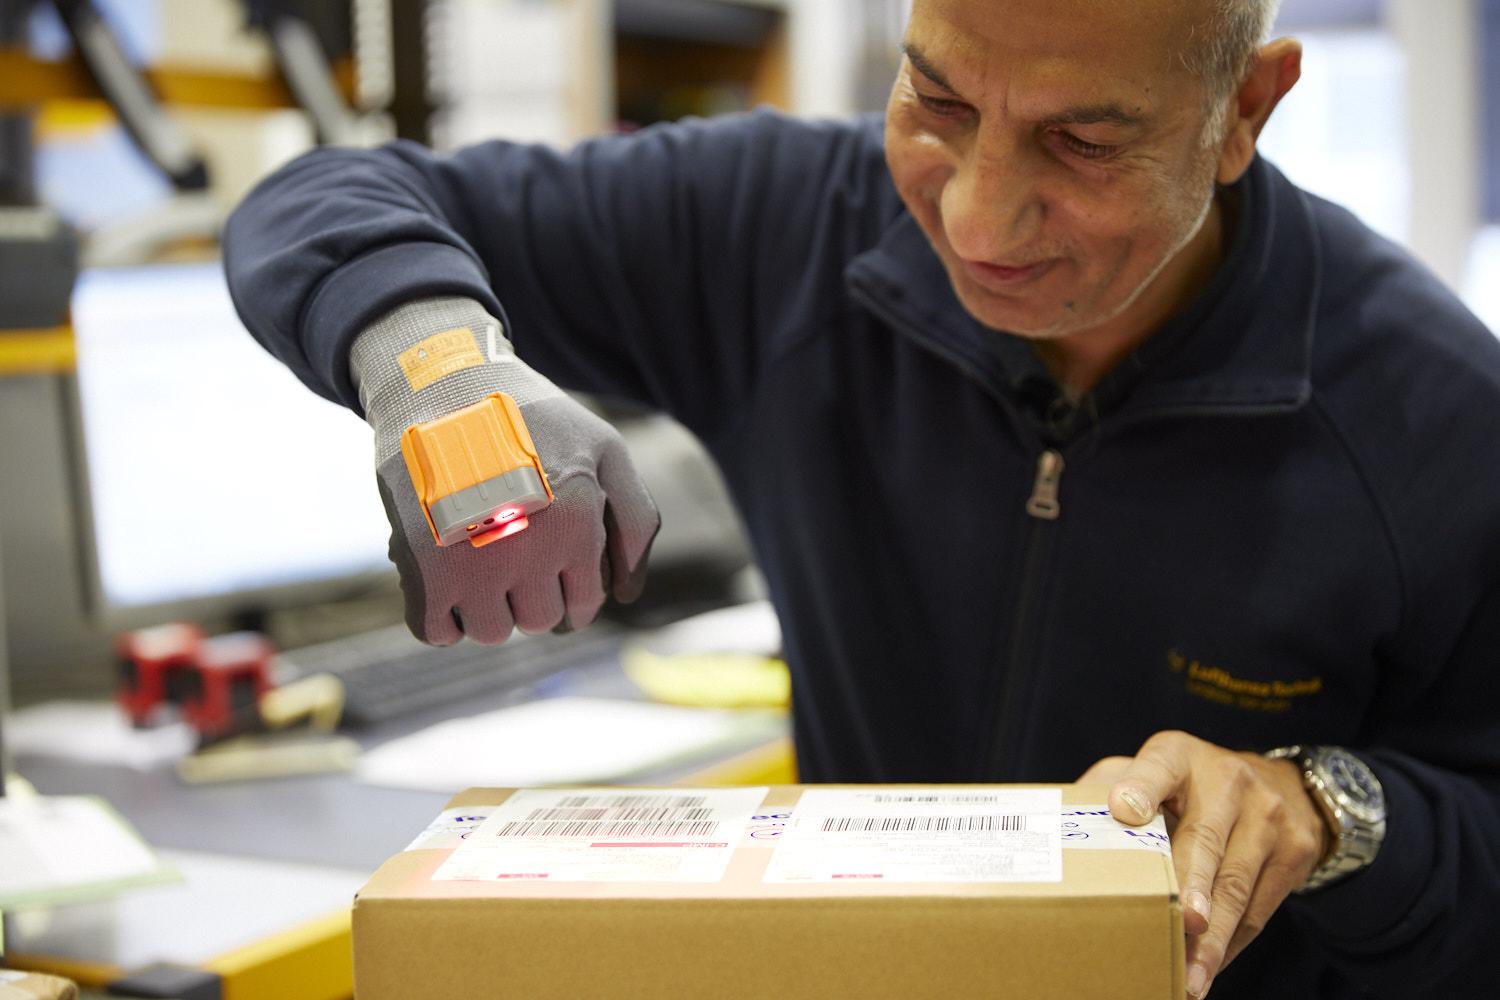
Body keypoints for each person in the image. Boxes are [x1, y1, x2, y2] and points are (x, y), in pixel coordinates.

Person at [222, 0, 1500, 996]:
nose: (978, 217)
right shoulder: (780, 231)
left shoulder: (1433, 411)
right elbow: (321, 196)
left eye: (1084, 142)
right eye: (937, 100)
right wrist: (439, 369)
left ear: (1243, 108)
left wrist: (1329, 808)